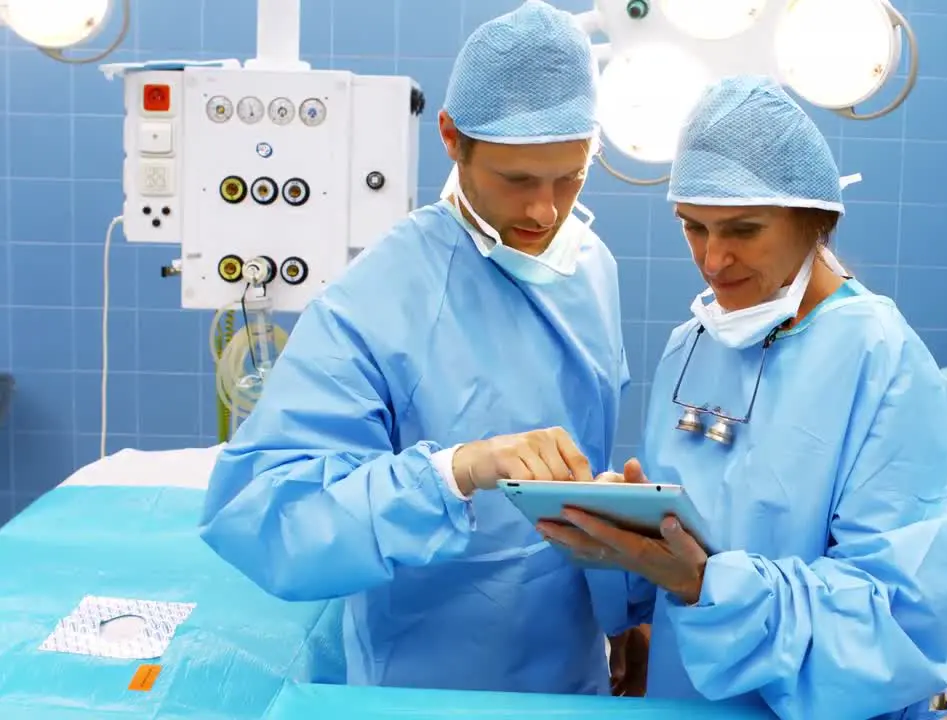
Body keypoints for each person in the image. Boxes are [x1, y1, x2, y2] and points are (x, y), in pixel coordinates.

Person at [199, 0, 636, 695]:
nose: (544, 212)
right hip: (428, 683)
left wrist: (624, 607)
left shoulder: (589, 267)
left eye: (570, 176)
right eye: (518, 180)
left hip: (570, 681)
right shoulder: (380, 299)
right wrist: (454, 472)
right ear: (451, 138)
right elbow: (266, 517)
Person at [539, 75, 947, 719]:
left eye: (743, 229)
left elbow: (911, 614)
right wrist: (623, 545)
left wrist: (706, 583)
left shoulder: (880, 359)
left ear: (816, 220)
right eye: (693, 227)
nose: (713, 258)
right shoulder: (691, 347)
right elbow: (681, 561)